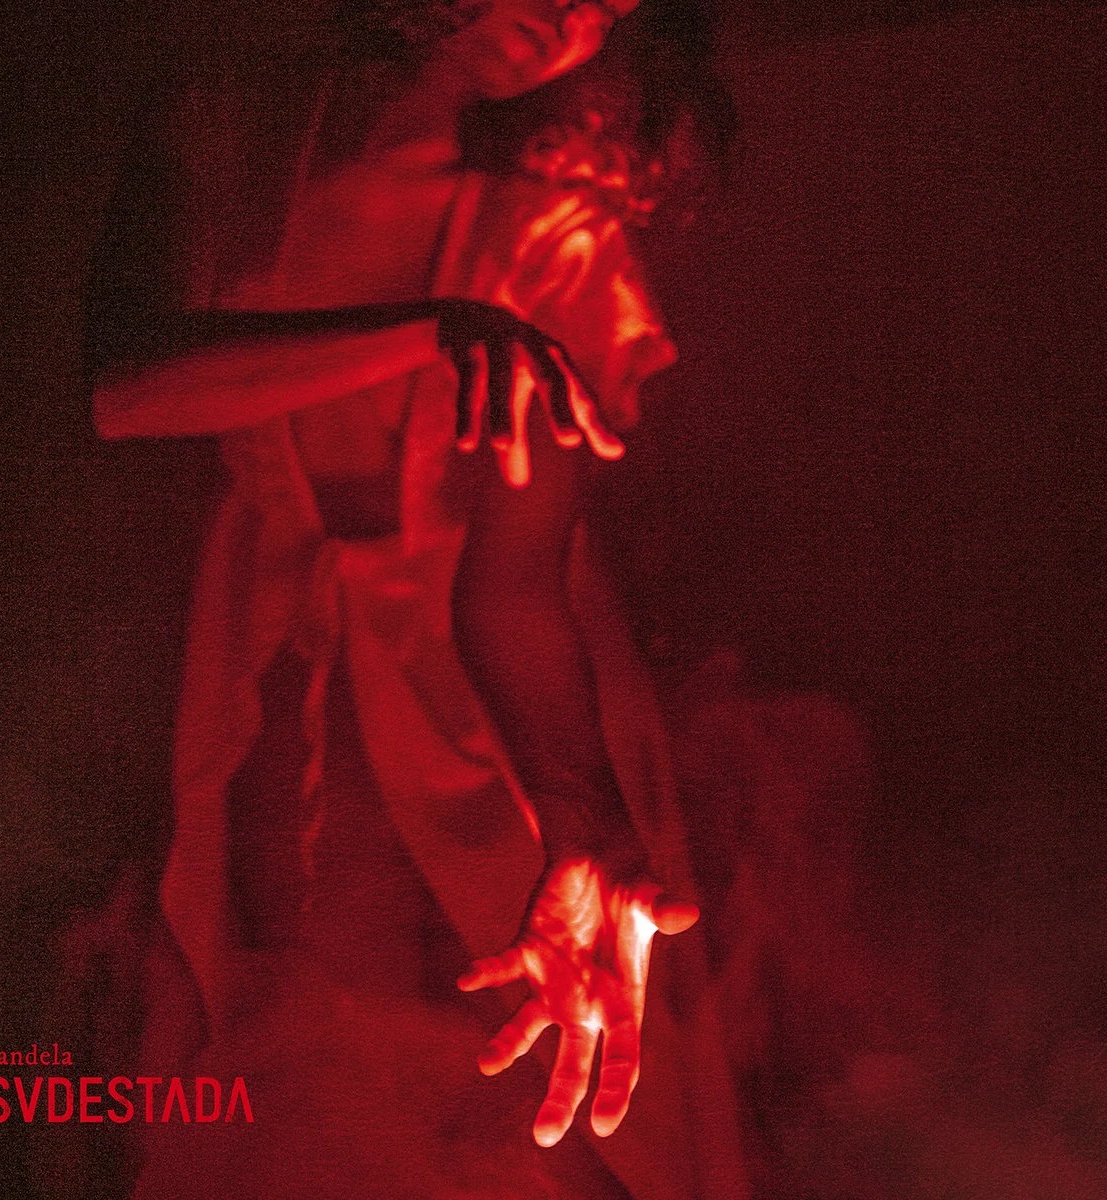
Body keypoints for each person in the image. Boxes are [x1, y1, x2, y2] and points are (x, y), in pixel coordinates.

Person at [80, 1, 749, 1195]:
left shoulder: (554, 228)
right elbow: (126, 387)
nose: (580, 11)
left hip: (507, 697)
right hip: (271, 651)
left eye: (614, 3)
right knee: (288, 1053)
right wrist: (431, 331)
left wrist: (579, 820)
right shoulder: (217, 112)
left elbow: (512, 591)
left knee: (534, 1092)